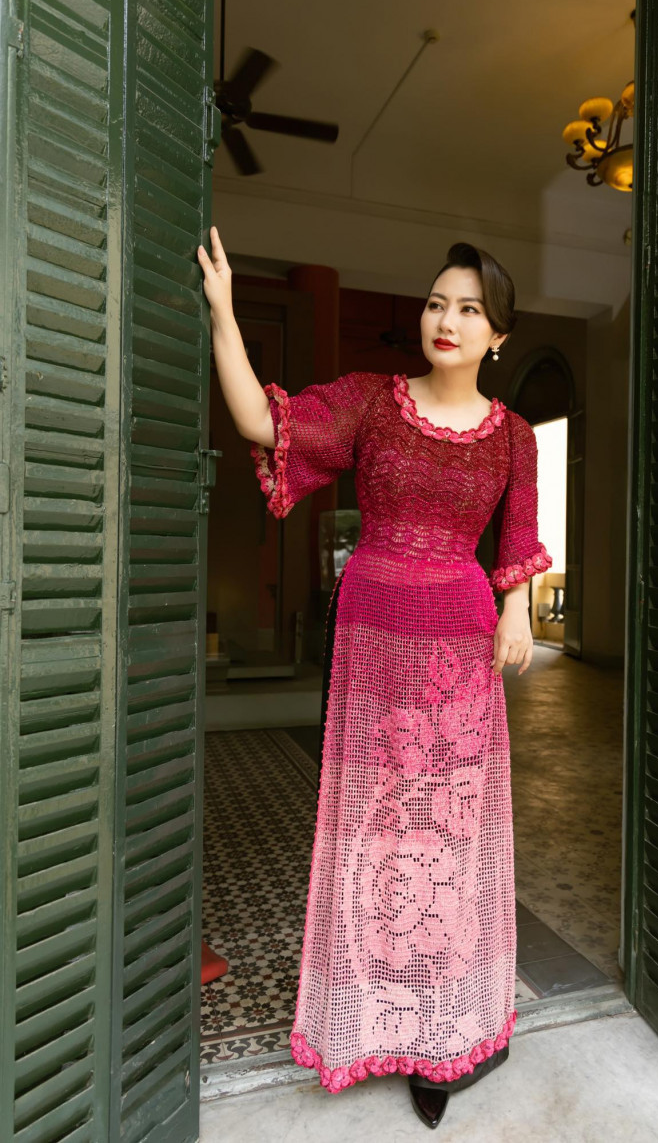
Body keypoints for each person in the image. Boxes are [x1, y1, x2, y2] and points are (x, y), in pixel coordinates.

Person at [198, 229, 552, 1130]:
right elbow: (262, 424)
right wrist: (225, 315)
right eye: (436, 303)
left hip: (460, 641)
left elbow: (517, 544)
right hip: (371, 635)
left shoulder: (514, 437)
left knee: (450, 836)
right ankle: (367, 1021)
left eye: (468, 309)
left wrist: (516, 607)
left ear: (497, 335)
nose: (446, 319)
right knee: (373, 832)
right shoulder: (370, 402)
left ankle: (447, 1035)